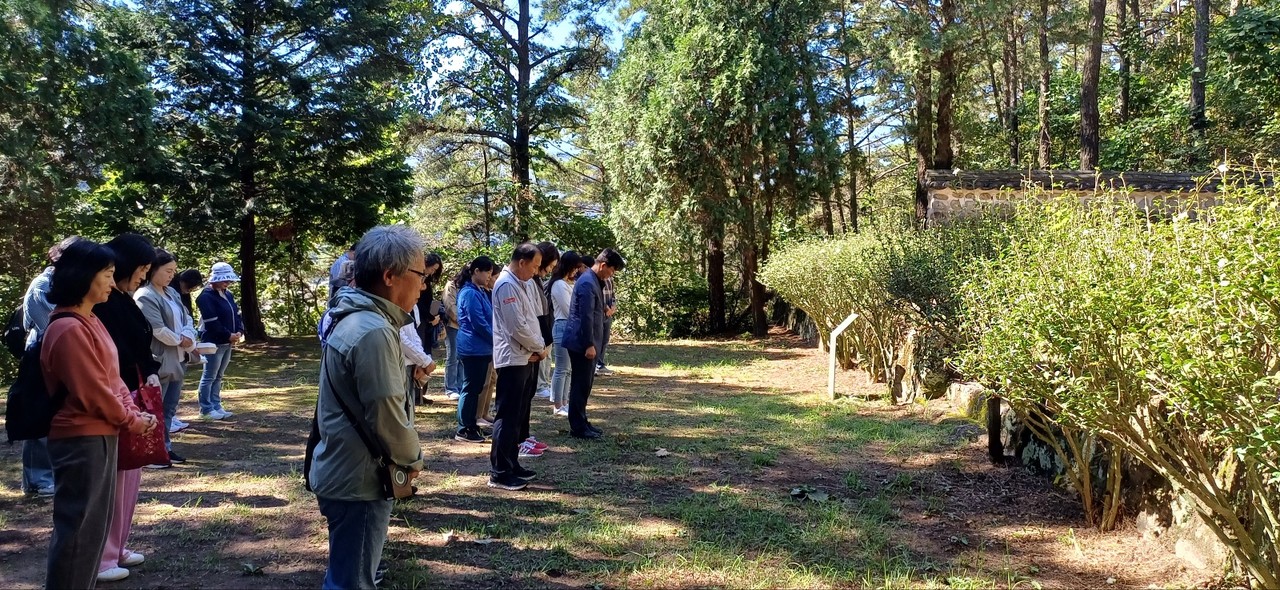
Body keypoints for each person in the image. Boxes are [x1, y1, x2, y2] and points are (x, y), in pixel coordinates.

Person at [309, 225, 426, 590]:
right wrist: (411, 458)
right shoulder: (373, 331)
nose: (423, 285)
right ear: (391, 276)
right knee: (352, 582)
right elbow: (387, 411)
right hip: (359, 479)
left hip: (345, 469)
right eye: (420, 275)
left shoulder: (356, 318)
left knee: (348, 574)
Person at [42, 238, 157, 589]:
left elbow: (114, 378)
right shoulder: (67, 327)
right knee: (79, 529)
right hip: (81, 438)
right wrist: (132, 419)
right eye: (107, 274)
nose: (112, 281)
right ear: (83, 276)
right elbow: (93, 392)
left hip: (102, 433)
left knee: (93, 529)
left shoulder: (90, 320)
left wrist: (132, 410)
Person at [94, 233, 165, 583]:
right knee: (114, 477)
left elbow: (138, 343)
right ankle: (103, 556)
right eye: (143, 268)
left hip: (134, 396)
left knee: (131, 473)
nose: (144, 275)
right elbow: (111, 355)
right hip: (115, 399)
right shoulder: (102, 304)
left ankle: (118, 546)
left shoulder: (123, 298)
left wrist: (150, 371)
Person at [19, 235, 80, 498]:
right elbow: (53, 325)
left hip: (62, 355)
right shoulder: (44, 284)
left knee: (58, 413)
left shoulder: (67, 282)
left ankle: (53, 473)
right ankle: (36, 479)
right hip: (41, 354)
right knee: (40, 414)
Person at [488, 243, 547, 490]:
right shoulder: (506, 285)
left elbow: (529, 320)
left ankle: (511, 464)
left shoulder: (520, 283)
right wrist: (538, 346)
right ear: (521, 262)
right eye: (534, 266)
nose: (535, 271)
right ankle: (500, 472)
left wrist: (537, 347)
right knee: (507, 415)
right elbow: (517, 326)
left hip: (524, 356)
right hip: (513, 359)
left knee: (517, 415)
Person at [134, 249, 199, 464]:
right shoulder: (145, 296)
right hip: (160, 359)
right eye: (168, 271)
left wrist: (188, 336)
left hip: (178, 358)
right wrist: (182, 340)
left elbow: (187, 318)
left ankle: (165, 447)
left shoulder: (171, 293)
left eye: (174, 271)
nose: (172, 275)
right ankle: (152, 451)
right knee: (156, 407)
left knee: (170, 408)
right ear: (153, 270)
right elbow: (157, 329)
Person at [563, 249, 625, 439]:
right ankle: (577, 427)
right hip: (582, 343)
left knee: (585, 384)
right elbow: (585, 316)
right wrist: (589, 344)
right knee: (580, 385)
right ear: (604, 265)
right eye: (612, 271)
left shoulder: (593, 280)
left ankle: (582, 420)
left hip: (589, 342)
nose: (611, 275)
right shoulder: (587, 283)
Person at [453, 256, 496, 443]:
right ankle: (463, 428)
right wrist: (496, 338)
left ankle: (472, 424)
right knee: (470, 388)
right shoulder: (469, 293)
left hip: (481, 347)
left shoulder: (479, 291)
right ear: (476, 271)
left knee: (476, 387)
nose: (489, 276)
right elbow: (478, 322)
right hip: (473, 347)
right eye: (486, 271)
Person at [196, 262, 244, 420]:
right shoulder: (205, 297)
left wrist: (238, 331)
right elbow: (212, 322)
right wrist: (227, 335)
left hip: (228, 342)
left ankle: (216, 404)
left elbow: (236, 314)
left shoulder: (228, 294)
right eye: (224, 280)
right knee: (209, 375)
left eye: (229, 280)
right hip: (213, 342)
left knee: (219, 375)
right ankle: (206, 408)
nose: (227, 283)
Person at [547, 251, 586, 417]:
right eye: (575, 268)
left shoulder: (569, 283)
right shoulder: (558, 285)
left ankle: (565, 402)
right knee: (561, 368)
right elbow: (568, 308)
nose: (576, 271)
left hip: (571, 327)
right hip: (563, 325)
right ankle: (557, 404)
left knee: (569, 369)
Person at [532, 242, 559, 401]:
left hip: (544, 329)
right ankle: (540, 386)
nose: (549, 270)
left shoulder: (538, 281)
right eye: (550, 265)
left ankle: (542, 384)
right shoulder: (529, 281)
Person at [441, 266, 463, 401]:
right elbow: (450, 306)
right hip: (453, 326)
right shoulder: (451, 285)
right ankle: (451, 388)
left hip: (464, 327)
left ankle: (460, 386)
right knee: (453, 357)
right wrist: (463, 321)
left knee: (462, 358)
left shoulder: (469, 286)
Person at [595, 270, 618, 376]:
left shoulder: (610, 280)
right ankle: (594, 364)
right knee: (597, 338)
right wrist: (605, 308)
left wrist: (613, 307)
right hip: (599, 312)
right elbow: (597, 296)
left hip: (608, 314)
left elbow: (613, 295)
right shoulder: (596, 279)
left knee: (605, 339)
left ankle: (600, 364)